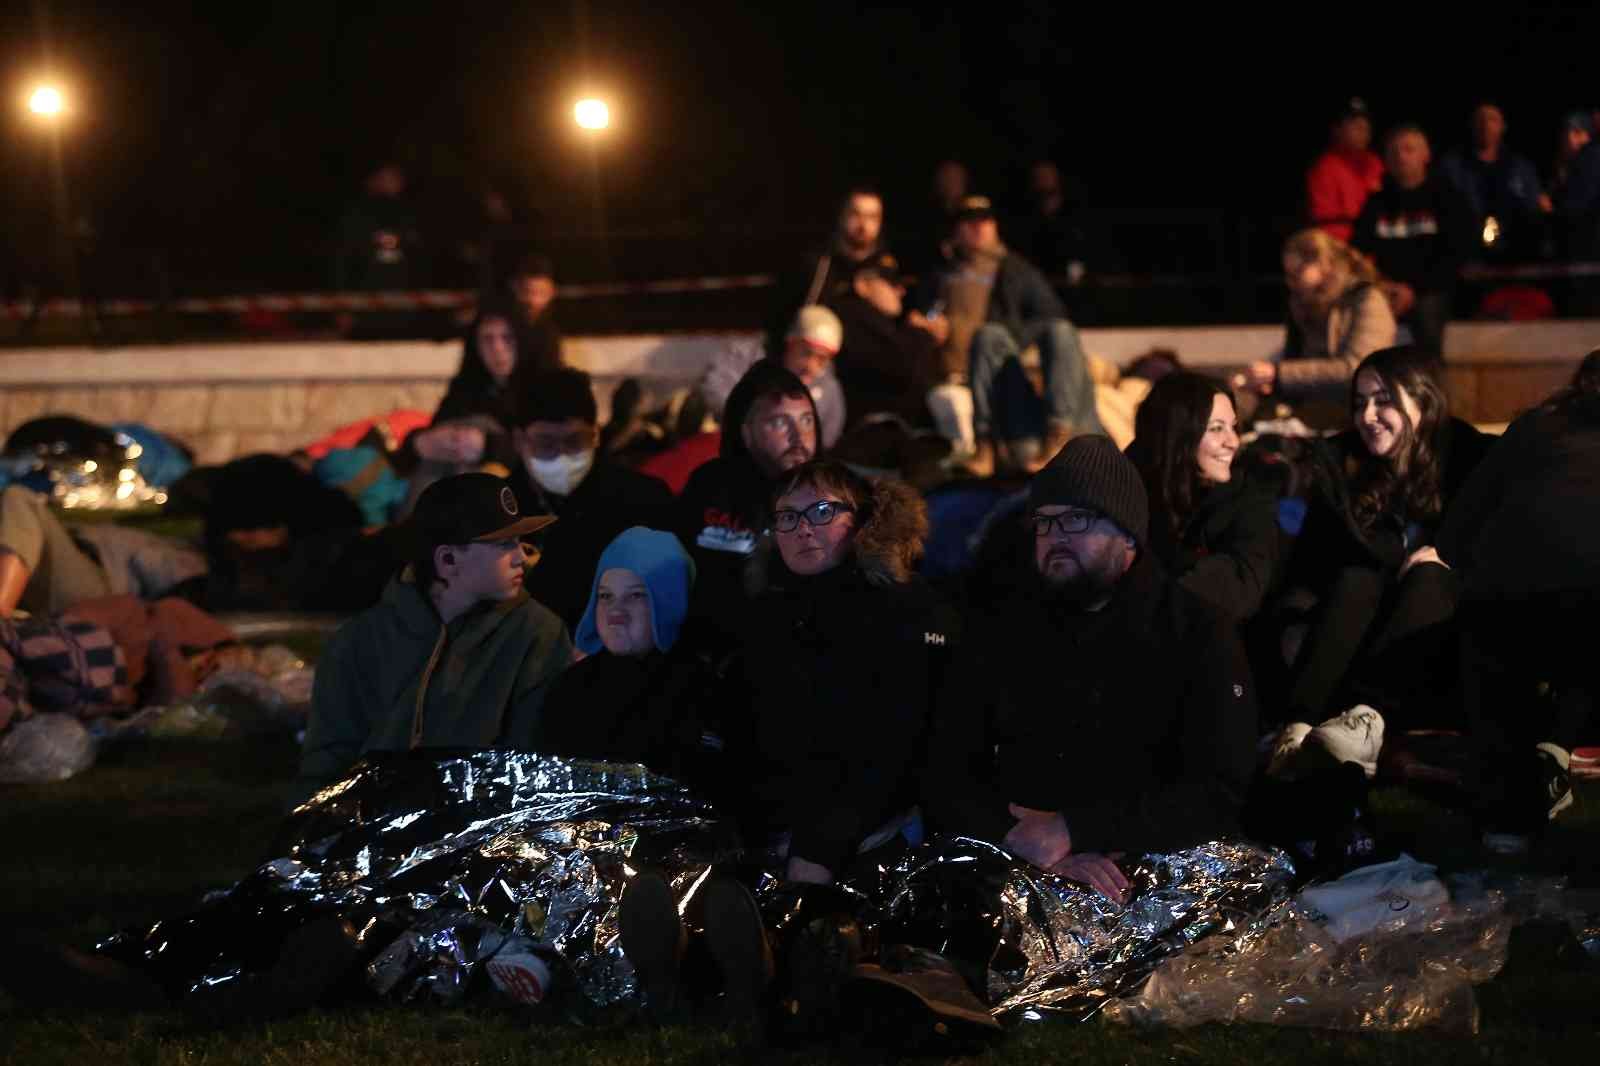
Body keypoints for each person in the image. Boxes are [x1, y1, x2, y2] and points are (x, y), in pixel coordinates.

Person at [927, 436, 1257, 898]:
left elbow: (1218, 789)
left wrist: (1077, 830)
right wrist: (1014, 834)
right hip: (1019, 861)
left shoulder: (1196, 632)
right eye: (1043, 523)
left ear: (1127, 534)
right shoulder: (1002, 627)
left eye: (1076, 519)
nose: (1055, 537)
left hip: (1147, 868)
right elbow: (948, 767)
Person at [725, 460, 954, 885]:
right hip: (773, 831)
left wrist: (819, 849)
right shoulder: (767, 611)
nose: (803, 529)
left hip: (867, 837)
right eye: (788, 516)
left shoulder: (900, 610)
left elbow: (890, 748)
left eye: (823, 511)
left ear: (862, 520)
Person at [298, 472, 571, 793]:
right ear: (448, 559)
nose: (521, 557)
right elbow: (325, 763)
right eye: (503, 545)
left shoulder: (538, 633)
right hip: (372, 828)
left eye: (519, 543)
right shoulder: (358, 640)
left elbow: (535, 765)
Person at [1278, 346, 1495, 742]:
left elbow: (1501, 547)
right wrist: (1294, 625)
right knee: (1357, 577)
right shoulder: (1341, 463)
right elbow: (1308, 564)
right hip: (1351, 633)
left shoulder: (1471, 457)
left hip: (1436, 639)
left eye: (1384, 401)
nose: (1367, 416)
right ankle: (1298, 728)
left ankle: (1365, 721)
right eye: (1360, 403)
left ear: (1423, 400)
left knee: (1431, 573)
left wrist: (1452, 557)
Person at [1438, 350, 1600, 837]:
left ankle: (1509, 814)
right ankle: (1557, 741)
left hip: (1500, 608)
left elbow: (1455, 533)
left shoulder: (1535, 425)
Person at [912, 195, 1102, 477]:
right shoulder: (941, 273)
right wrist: (924, 324)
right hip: (952, 377)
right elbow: (918, 312)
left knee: (993, 335)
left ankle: (1053, 432)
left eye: (985, 221)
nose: (978, 228)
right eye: (969, 222)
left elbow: (1053, 317)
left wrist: (1020, 349)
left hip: (1003, 374)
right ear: (956, 230)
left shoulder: (1016, 270)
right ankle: (985, 446)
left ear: (996, 226)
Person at [501, 368, 673, 631]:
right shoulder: (494, 512)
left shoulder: (643, 500)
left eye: (575, 441)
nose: (562, 456)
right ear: (518, 440)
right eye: (546, 443)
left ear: (596, 435)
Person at [674, 362, 820, 662]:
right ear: (746, 432)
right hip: (712, 658)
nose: (799, 437)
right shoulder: (710, 487)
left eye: (807, 420)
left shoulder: (832, 494)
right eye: (780, 423)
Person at [537, 527, 710, 780]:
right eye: (606, 596)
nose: (615, 611)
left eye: (636, 595)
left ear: (670, 603)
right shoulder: (570, 688)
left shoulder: (701, 692)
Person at [1126, 373, 1279, 621]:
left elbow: (1240, 584)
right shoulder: (1124, 484)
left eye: (1233, 427)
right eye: (1217, 428)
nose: (1233, 441)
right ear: (1179, 434)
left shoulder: (1248, 494)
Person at [398, 299, 550, 514]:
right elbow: (405, 458)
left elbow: (550, 453)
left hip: (519, 500)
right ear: (476, 345)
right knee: (451, 439)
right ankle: (418, 532)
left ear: (523, 341)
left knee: (477, 426)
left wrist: (487, 446)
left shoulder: (544, 385)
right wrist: (419, 442)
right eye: (487, 340)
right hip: (454, 493)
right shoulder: (466, 387)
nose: (497, 348)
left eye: (507, 339)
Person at [1240, 229, 1397, 414]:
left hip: (1356, 410)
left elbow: (1359, 368)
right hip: (1314, 408)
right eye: (1288, 274)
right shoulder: (1301, 304)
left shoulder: (1367, 299)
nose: (1291, 282)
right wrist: (1267, 380)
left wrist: (1279, 374)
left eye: (1298, 272)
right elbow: (1295, 360)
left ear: (1325, 264)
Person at [1352, 125, 1475, 356]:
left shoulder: (1447, 199)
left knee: (1427, 315)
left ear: (1425, 155)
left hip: (1431, 291)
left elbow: (1454, 255)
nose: (1401, 156)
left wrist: (1414, 289)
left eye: (1409, 149)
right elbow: (1356, 253)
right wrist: (1382, 286)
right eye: (1394, 151)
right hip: (1386, 289)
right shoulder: (1376, 204)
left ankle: (1431, 387)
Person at [0, 487, 206, 617]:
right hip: (67, 566)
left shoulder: (190, 560)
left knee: (20, 499)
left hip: (99, 588)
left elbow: (167, 590)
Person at [700, 306, 847, 450]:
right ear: (790, 343)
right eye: (806, 353)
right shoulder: (746, 357)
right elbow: (714, 389)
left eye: (822, 359)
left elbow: (827, 438)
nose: (811, 366)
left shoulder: (828, 386)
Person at [827, 252, 943, 430]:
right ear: (862, 285)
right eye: (892, 284)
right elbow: (899, 371)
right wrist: (921, 334)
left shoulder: (880, 321)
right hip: (867, 430)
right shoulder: (850, 316)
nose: (901, 291)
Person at [1437, 102, 1546, 264]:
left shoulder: (1520, 167)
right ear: (1471, 125)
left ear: (1503, 126)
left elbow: (1532, 208)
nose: (1486, 125)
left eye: (1492, 119)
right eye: (1480, 120)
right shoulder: (1451, 166)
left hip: (1516, 253)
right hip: (1466, 253)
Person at [333, 162, 425, 338]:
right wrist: (342, 308)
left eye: (394, 178)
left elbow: (421, 264)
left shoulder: (411, 215)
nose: (390, 183)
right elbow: (343, 264)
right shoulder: (356, 216)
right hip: (365, 310)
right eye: (385, 178)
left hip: (405, 310)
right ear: (372, 180)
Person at [1307, 98, 1385, 243]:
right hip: (1345, 245)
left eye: (1365, 122)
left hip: (1378, 242)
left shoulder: (1375, 163)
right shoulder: (1325, 168)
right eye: (1353, 123)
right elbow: (1327, 225)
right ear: (1337, 130)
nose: (1363, 127)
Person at [505, 253, 564, 370]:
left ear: (552, 292)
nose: (533, 300)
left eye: (541, 293)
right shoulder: (499, 328)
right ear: (515, 289)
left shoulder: (550, 331)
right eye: (527, 292)